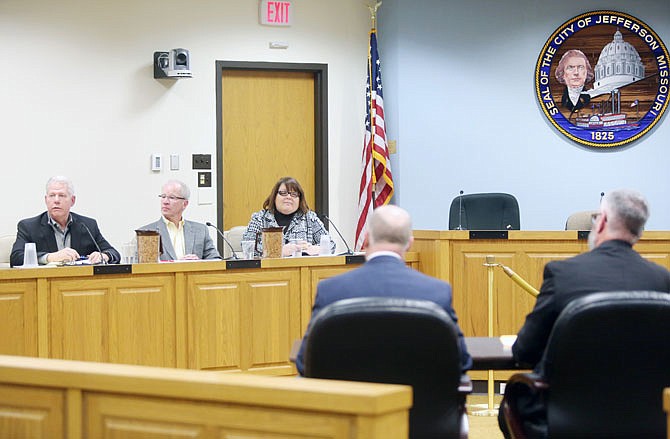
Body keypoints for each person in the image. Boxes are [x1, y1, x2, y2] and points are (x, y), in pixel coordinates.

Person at [498, 189, 670, 438]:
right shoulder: (663, 281)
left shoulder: (562, 275)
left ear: (601, 221)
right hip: (649, 419)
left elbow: (524, 351)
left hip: (566, 421)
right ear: (639, 231)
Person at [295, 204, 472, 375]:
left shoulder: (330, 291)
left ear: (366, 239)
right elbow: (461, 361)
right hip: (421, 404)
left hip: (350, 403)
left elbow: (305, 363)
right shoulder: (437, 293)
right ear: (410, 243)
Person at [10, 176, 120, 266]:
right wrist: (50, 257)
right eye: (52, 195)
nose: (56, 200)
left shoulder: (87, 225)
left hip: (78, 285)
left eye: (62, 195)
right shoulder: (29, 227)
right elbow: (16, 258)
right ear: (46, 200)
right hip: (46, 285)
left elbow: (114, 253)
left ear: (72, 200)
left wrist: (104, 256)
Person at [242, 176, 335, 257]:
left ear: (299, 200)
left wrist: (314, 249)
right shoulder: (260, 218)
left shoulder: (309, 218)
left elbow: (330, 245)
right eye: (283, 193)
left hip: (301, 272)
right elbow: (247, 246)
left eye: (294, 194)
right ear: (274, 196)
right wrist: (279, 251)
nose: (289, 197)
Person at [140, 180, 220, 261]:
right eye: (163, 196)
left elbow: (215, 260)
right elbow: (142, 267)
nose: (165, 202)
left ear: (185, 204)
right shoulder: (146, 233)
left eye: (171, 197)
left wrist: (198, 263)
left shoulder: (201, 230)